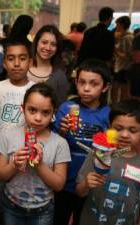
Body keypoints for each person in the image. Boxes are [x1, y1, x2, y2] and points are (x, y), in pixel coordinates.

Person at [76, 99, 140, 225]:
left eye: (133, 130)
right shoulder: (98, 154)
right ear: (110, 128)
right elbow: (79, 191)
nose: (125, 135)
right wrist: (85, 184)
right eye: (118, 128)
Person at [0, 82, 71, 225]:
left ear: (53, 113)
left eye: (45, 112)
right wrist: (14, 164)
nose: (38, 118)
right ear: (22, 109)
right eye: (32, 110)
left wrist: (40, 165)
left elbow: (59, 185)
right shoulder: (9, 136)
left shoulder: (60, 144)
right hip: (12, 205)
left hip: (43, 209)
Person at [53, 59, 111, 225]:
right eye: (82, 82)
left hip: (89, 179)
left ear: (105, 87)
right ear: (76, 82)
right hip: (64, 176)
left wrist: (109, 139)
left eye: (94, 84)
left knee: (84, 218)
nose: (86, 88)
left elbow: (111, 150)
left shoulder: (108, 114)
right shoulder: (66, 108)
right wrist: (62, 131)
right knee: (59, 217)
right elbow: (53, 142)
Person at [0, 38, 35, 224]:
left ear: (30, 62)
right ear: (4, 62)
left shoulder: (35, 89)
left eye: (22, 58)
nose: (16, 64)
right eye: (11, 58)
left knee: (20, 197)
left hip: (24, 152)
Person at [28, 25, 70, 105]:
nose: (48, 48)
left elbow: (60, 108)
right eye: (44, 42)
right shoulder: (21, 67)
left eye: (53, 44)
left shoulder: (59, 76)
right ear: (36, 42)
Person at [112, 16, 134, 103]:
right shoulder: (123, 36)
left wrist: (115, 50)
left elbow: (128, 56)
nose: (116, 26)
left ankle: (120, 106)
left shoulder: (127, 37)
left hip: (124, 67)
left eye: (117, 24)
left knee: (122, 89)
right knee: (119, 88)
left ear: (122, 25)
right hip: (121, 67)